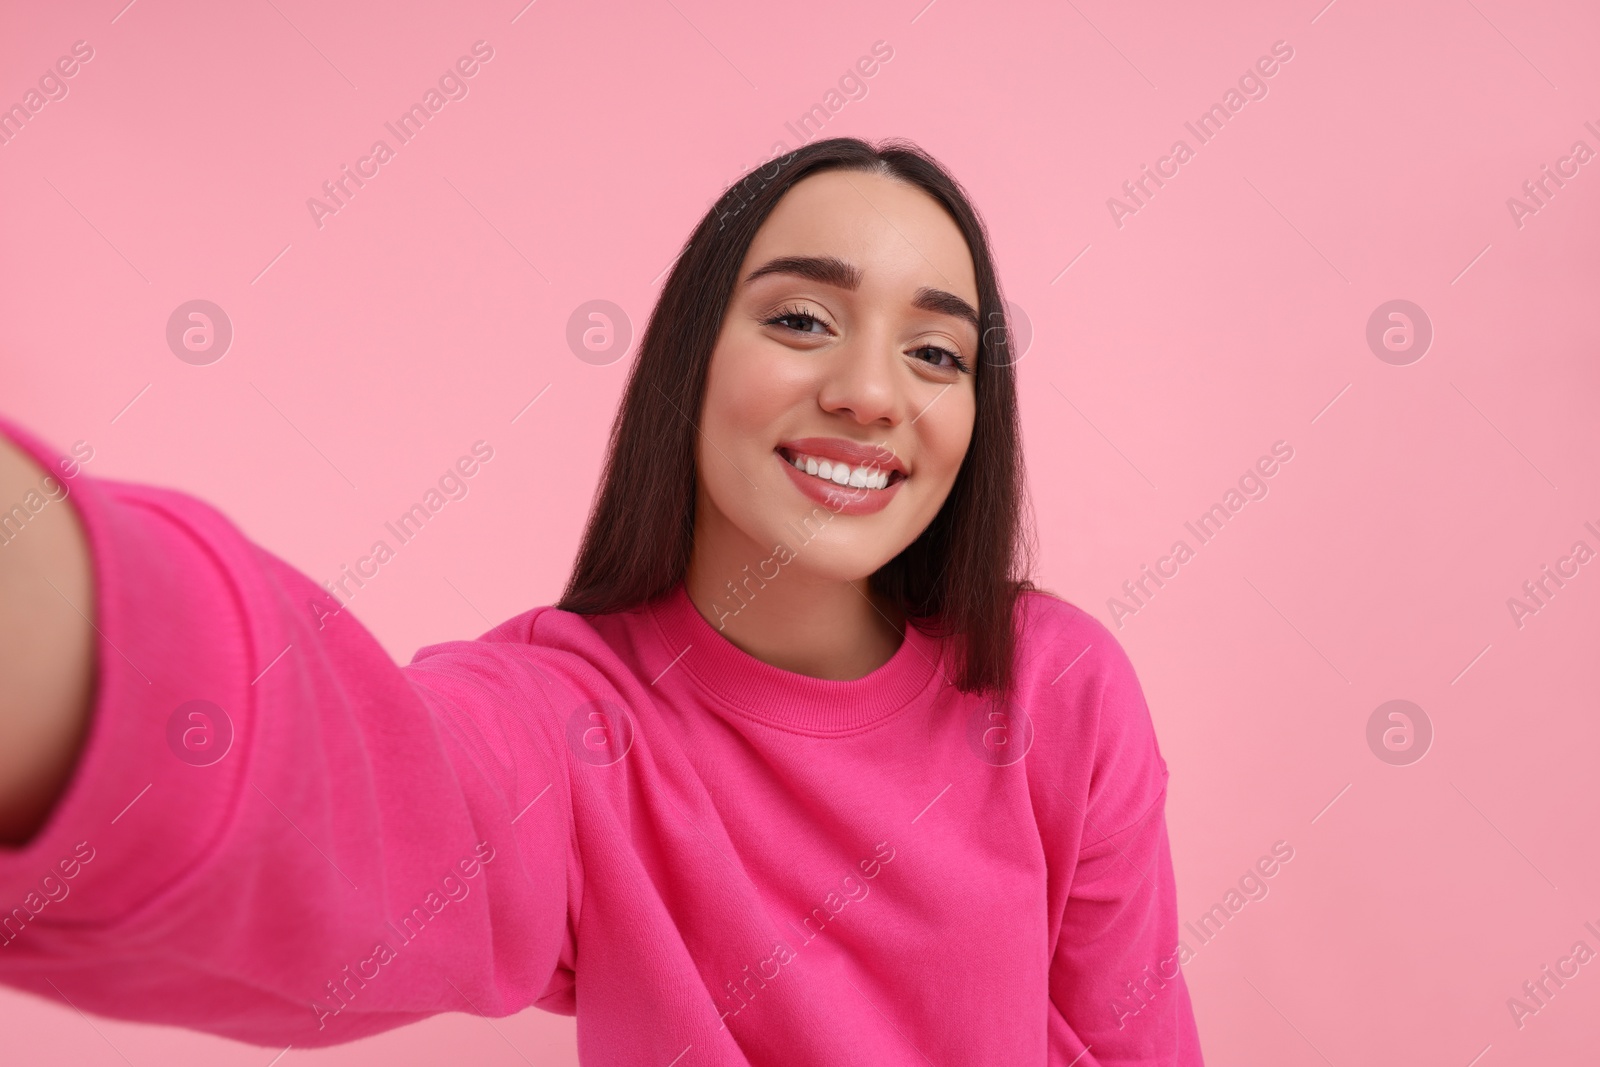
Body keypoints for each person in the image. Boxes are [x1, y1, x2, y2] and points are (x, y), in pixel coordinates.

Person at [0, 137, 1202, 1064]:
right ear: (691, 362)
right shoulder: (570, 724)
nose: (870, 392)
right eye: (799, 319)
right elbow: (357, 792)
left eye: (936, 352)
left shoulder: (1057, 684)